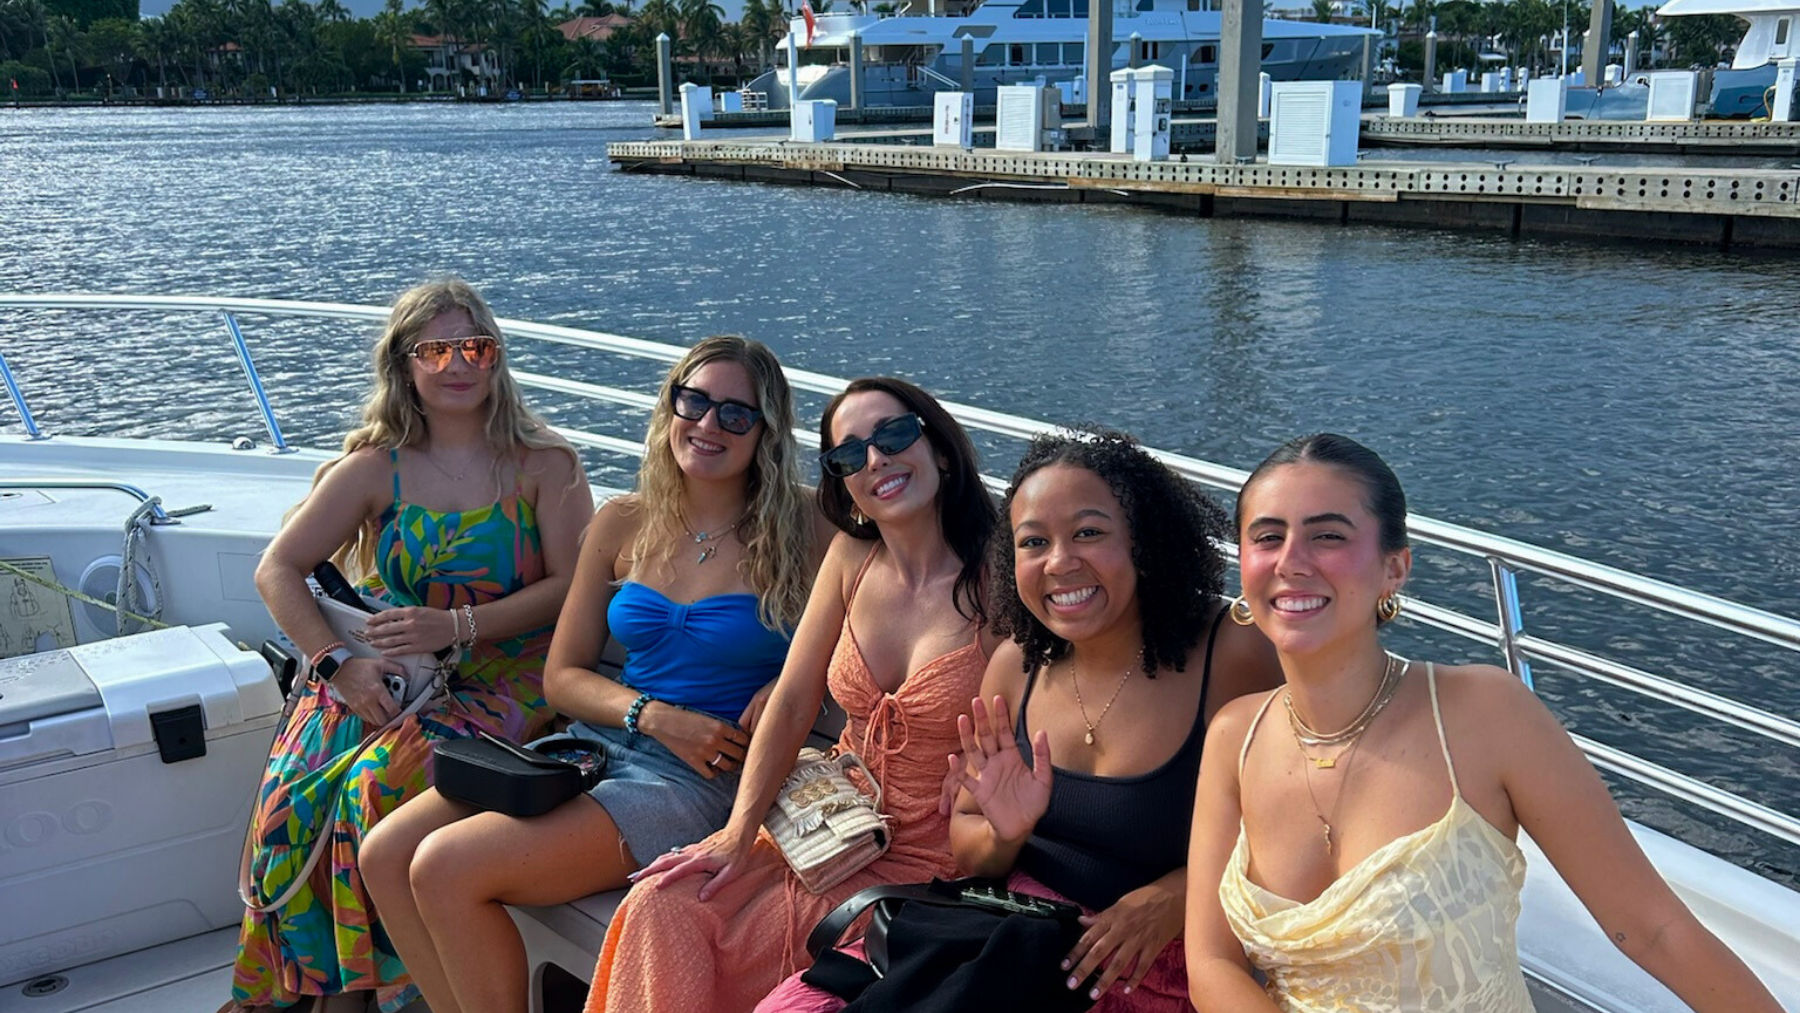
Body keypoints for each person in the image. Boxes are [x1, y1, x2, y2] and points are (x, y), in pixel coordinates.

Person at [1184, 433, 1784, 1013]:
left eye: (1328, 536)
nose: (1291, 562)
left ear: (1394, 569)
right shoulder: (1236, 736)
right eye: (1268, 537)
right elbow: (1212, 961)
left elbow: (1651, 928)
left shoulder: (1483, 714)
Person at [359, 335, 828, 1013]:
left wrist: (790, 683)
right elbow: (563, 677)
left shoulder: (806, 528)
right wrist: (651, 713)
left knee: (443, 866)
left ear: (766, 432)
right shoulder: (623, 521)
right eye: (692, 401)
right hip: (593, 745)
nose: (706, 424)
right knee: (384, 853)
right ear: (669, 406)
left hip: (699, 776)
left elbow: (882, 610)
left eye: (735, 414)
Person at [758, 429, 1285, 1013]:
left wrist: (1171, 896)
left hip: (1148, 957)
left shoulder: (1233, 652)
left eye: (1089, 532)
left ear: (1143, 540)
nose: (1060, 562)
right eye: (1034, 542)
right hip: (1014, 932)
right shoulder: (1016, 667)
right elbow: (970, 852)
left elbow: (1296, 824)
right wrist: (1004, 833)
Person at [227, 278, 593, 1013]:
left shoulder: (543, 465)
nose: (458, 363)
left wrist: (455, 626)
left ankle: (372, 996)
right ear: (404, 365)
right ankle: (327, 988)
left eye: (475, 346)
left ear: (496, 359)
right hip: (390, 668)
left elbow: (574, 588)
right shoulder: (375, 466)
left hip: (510, 671)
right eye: (435, 349)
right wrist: (341, 665)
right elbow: (278, 568)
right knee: (287, 800)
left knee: (372, 788)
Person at [583, 377, 1001, 1013]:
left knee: (787, 966)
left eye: (893, 435)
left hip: (935, 853)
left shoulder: (1004, 576)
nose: (875, 460)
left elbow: (1060, 701)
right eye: (849, 454)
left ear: (939, 448)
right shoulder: (850, 559)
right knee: (663, 902)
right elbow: (794, 700)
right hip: (829, 819)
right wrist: (734, 831)